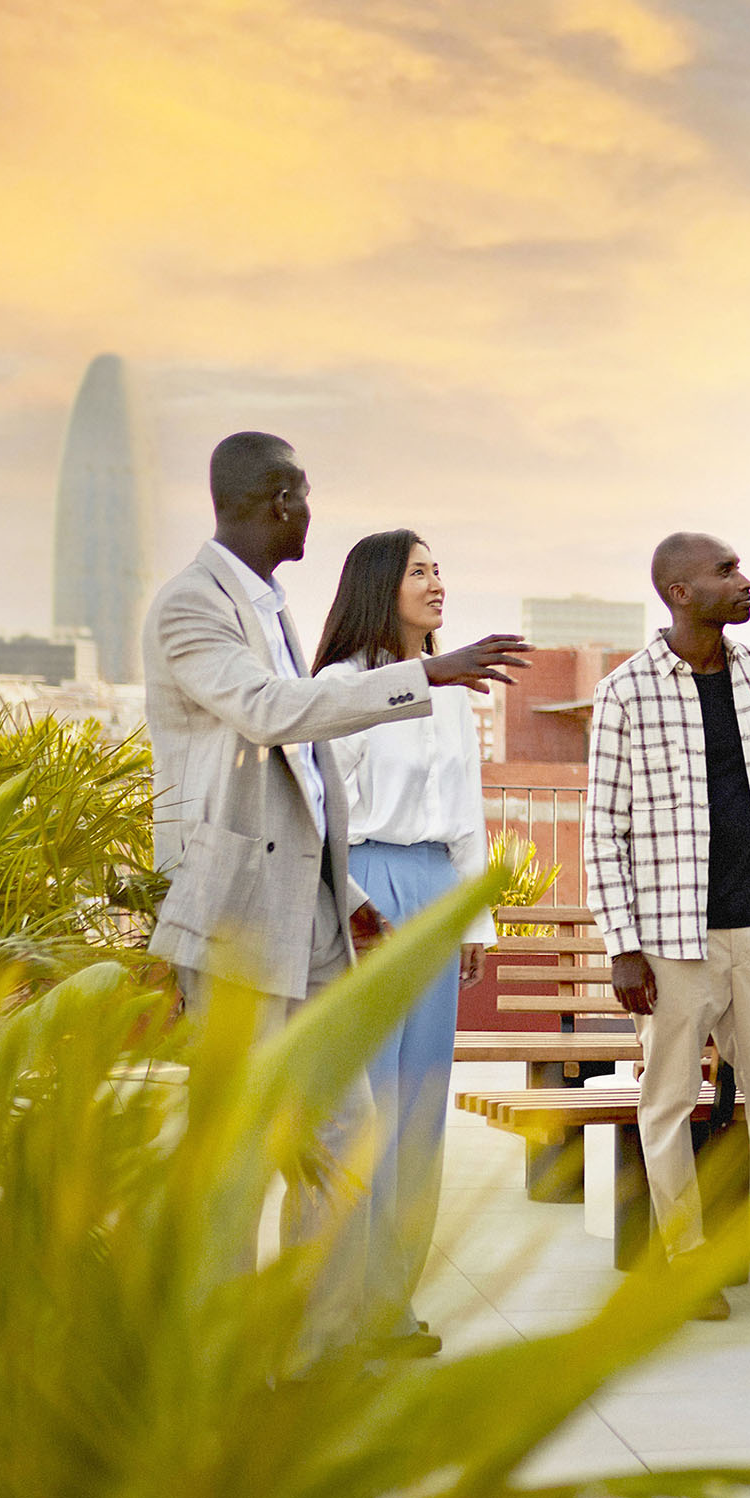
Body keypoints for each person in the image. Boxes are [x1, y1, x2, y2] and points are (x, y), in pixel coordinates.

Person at [144, 432, 526, 1345]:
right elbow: (273, 717)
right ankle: (224, 1353)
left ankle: (323, 1345)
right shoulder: (192, 607)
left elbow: (311, 784)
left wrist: (340, 891)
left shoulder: (267, 607)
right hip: (238, 916)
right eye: (304, 495)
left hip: (314, 909)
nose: (312, 512)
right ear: (278, 499)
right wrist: (426, 673)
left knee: (354, 1137)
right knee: (234, 1152)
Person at [584, 531, 750, 1317]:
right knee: (669, 1102)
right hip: (670, 938)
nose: (744, 581)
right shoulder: (627, 692)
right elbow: (602, 831)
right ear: (680, 592)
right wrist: (622, 947)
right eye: (726, 572)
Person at [310, 528, 497, 1357]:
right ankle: (338, 1312)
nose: (437, 583)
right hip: (364, 894)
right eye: (420, 570)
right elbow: (320, 815)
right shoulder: (340, 687)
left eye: (440, 568)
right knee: (366, 1110)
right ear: (380, 585)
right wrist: (352, 903)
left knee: (421, 1108)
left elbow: (468, 814)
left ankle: (392, 1307)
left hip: (432, 894)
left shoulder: (452, 692)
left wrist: (475, 915)